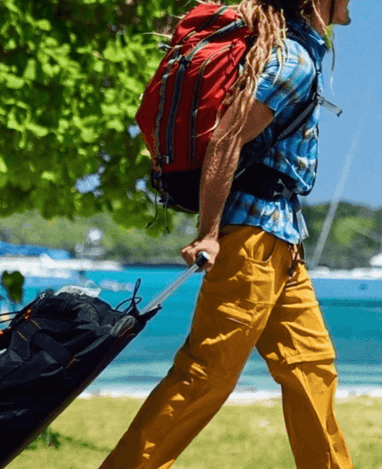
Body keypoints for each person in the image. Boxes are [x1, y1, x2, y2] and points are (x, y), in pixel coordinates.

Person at [100, 0, 354, 468]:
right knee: (205, 376)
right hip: (252, 239)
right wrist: (209, 233)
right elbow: (226, 138)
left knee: (311, 370)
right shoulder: (293, 60)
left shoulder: (302, 53)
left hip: (281, 238)